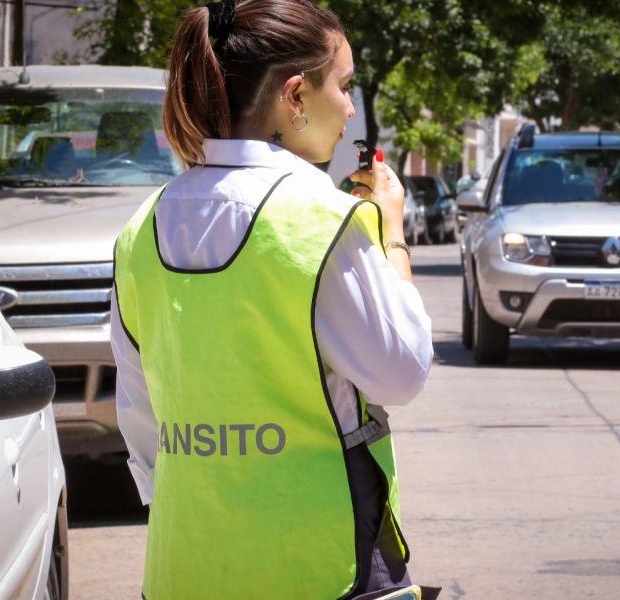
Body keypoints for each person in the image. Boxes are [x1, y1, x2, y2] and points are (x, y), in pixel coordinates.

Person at [109, 1, 434, 598]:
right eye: (343, 85)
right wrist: (391, 235)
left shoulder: (139, 232)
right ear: (294, 96)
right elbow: (403, 373)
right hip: (325, 564)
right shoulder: (322, 219)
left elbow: (141, 421)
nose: (349, 108)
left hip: (189, 569)